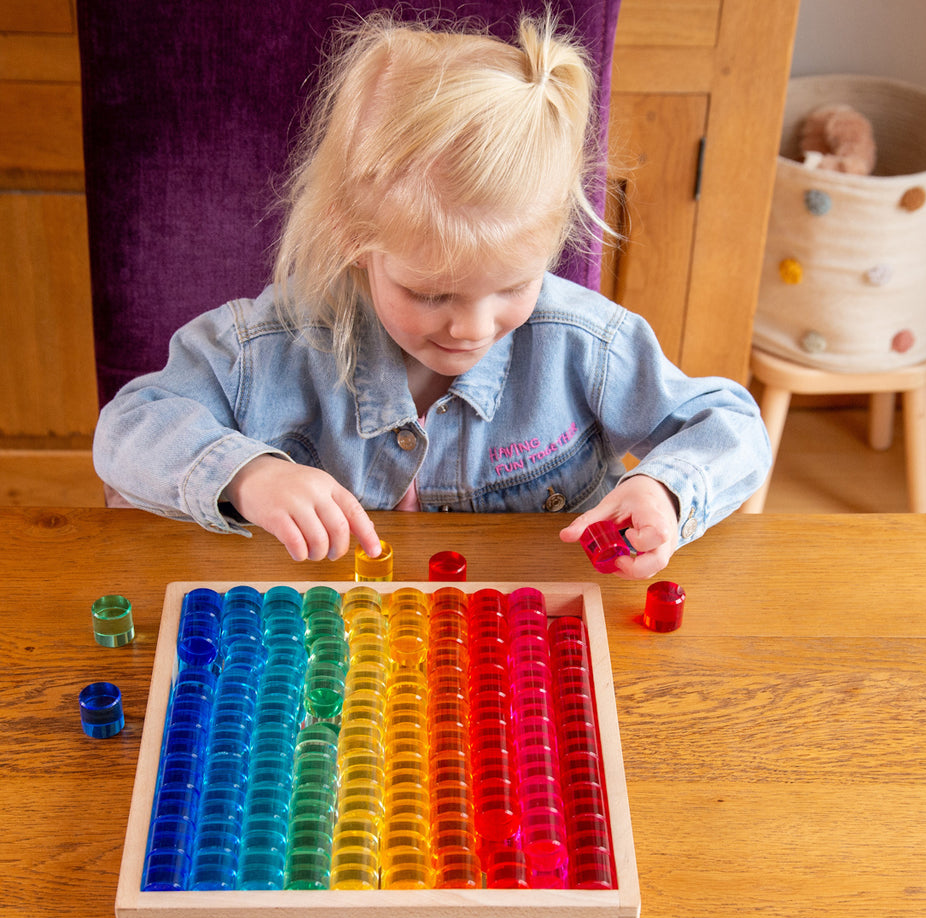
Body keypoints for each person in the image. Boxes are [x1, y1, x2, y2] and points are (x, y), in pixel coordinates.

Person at [92, 13, 771, 580]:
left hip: (524, 647)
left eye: (512, 286)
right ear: (354, 241)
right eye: (431, 292)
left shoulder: (584, 343)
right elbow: (128, 430)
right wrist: (250, 477)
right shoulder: (267, 345)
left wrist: (663, 490)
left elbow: (731, 426)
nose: (472, 328)